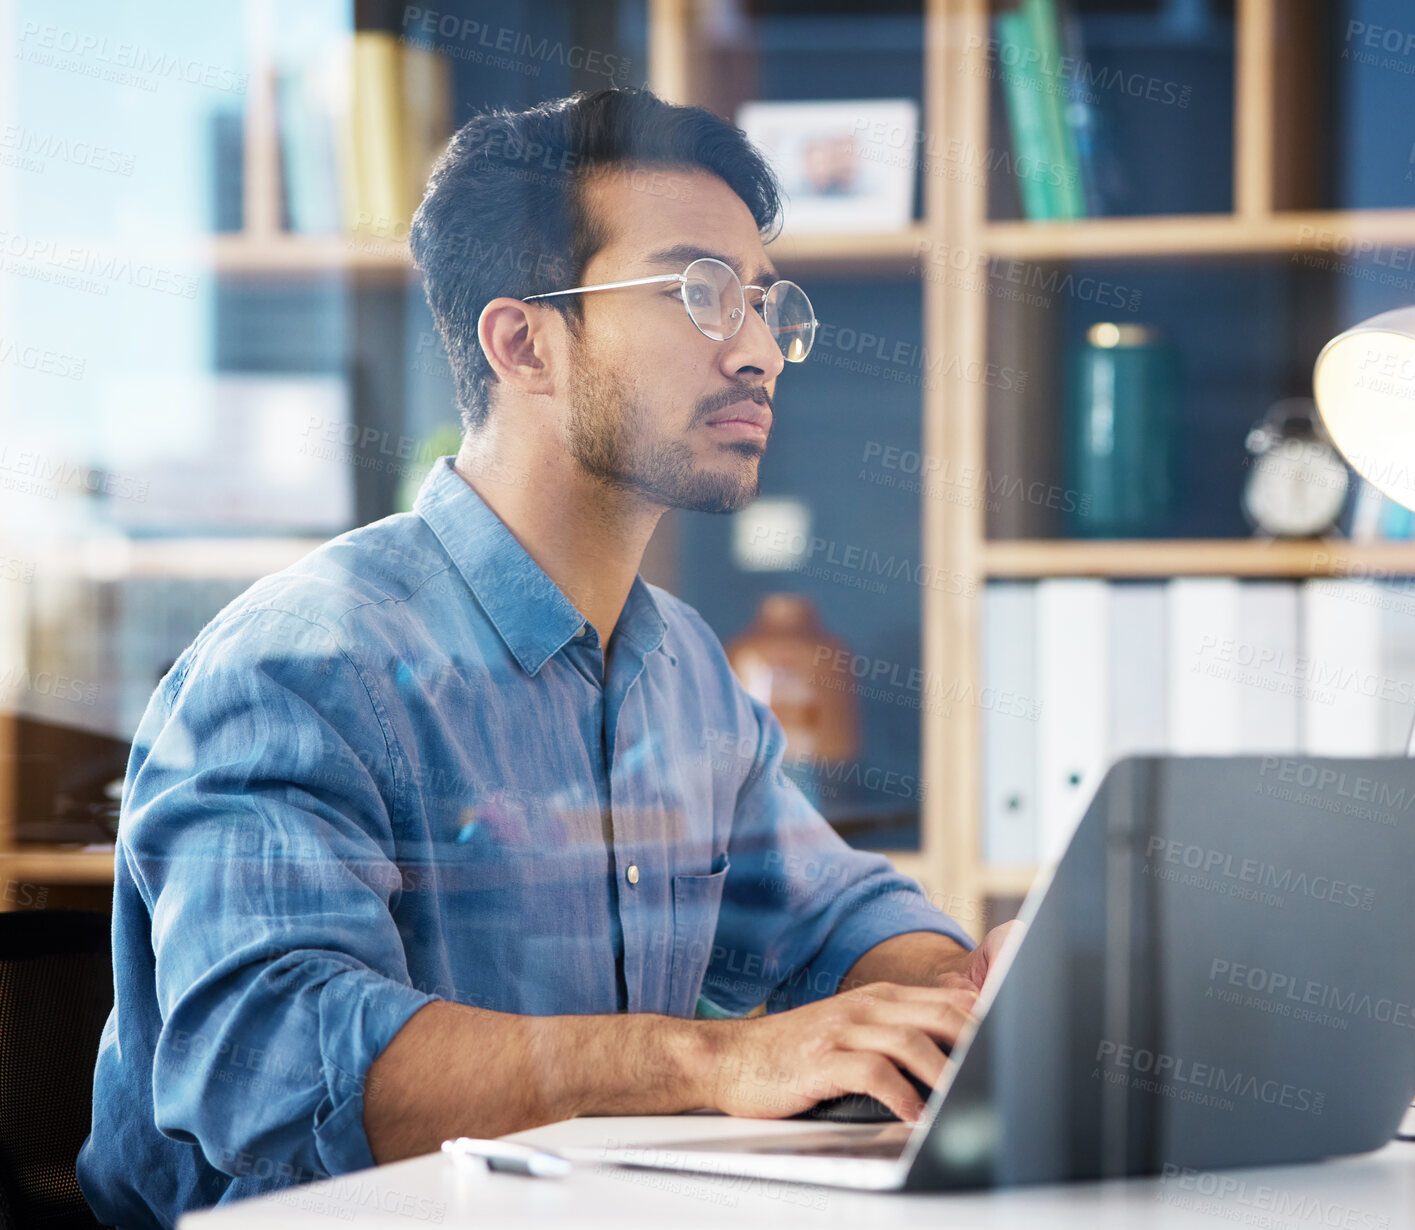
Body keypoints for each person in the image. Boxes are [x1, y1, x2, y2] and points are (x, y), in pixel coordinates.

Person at [77, 86, 1014, 1228]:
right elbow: (265, 1061)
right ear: (524, 342)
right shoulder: (304, 665)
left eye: (765, 304)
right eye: (700, 293)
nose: (762, 349)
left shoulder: (681, 673)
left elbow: (838, 924)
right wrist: (713, 1064)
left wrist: (969, 989)